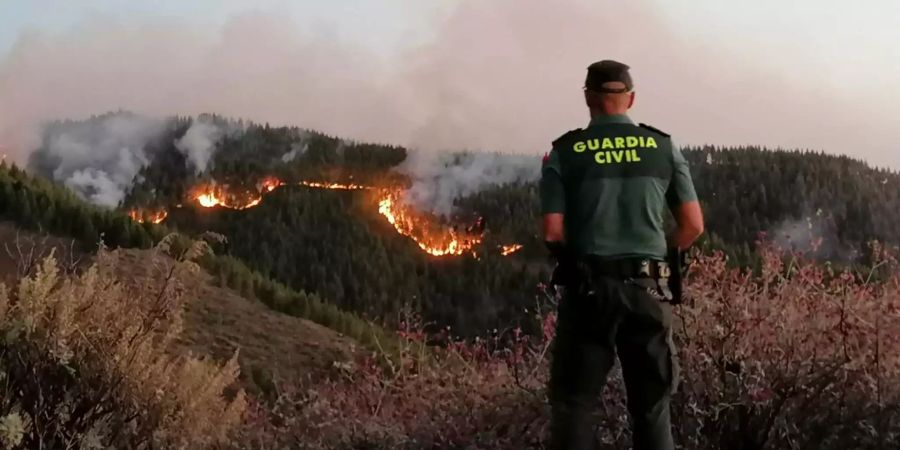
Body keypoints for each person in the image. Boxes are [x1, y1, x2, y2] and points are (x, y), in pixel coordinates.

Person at [540, 60, 704, 450]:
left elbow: (551, 230)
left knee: (576, 404)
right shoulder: (663, 147)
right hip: (647, 291)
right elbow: (693, 226)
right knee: (651, 406)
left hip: (589, 292)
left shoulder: (566, 151)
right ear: (630, 98)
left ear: (588, 99)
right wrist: (656, 257)